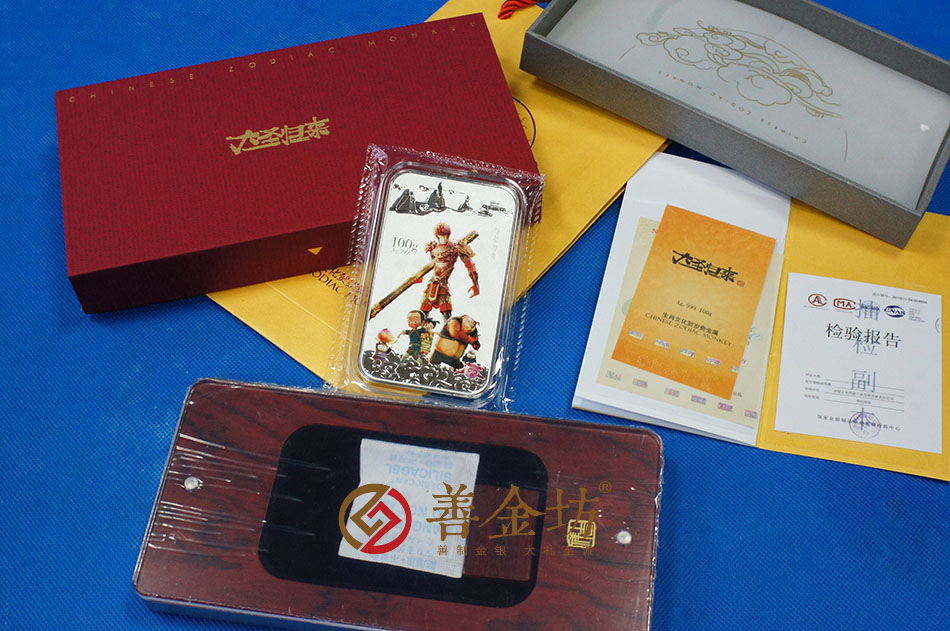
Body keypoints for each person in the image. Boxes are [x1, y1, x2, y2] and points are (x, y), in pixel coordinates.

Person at [420, 222, 478, 322]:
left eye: (445, 236)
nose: (443, 239)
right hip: (432, 284)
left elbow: (470, 265)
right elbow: (429, 265)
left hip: (443, 284)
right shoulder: (433, 248)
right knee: (423, 313)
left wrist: (475, 284)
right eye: (441, 236)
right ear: (437, 237)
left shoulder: (455, 248)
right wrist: (419, 277)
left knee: (446, 313)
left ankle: (448, 331)